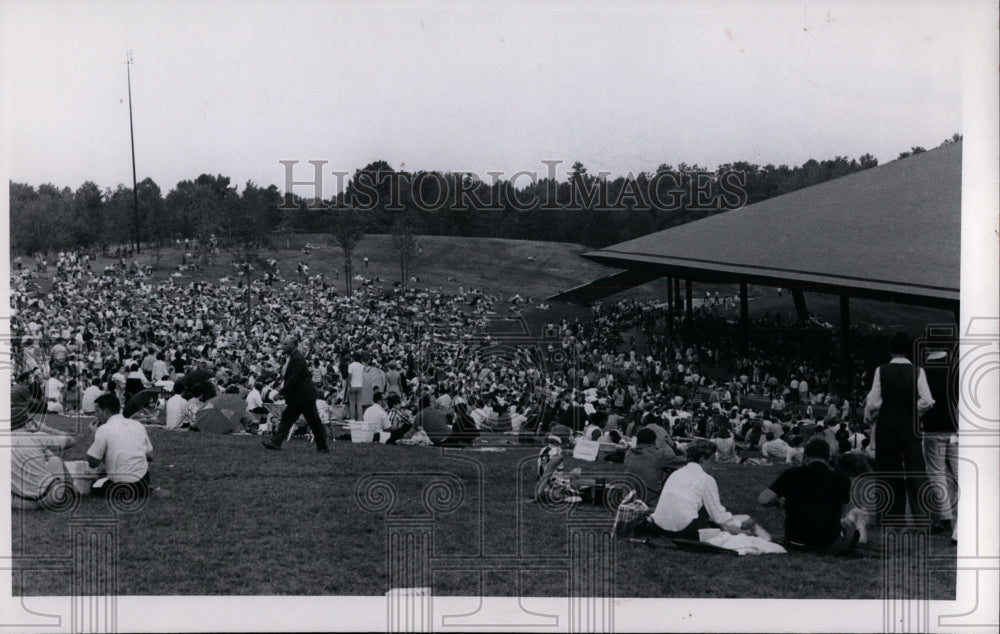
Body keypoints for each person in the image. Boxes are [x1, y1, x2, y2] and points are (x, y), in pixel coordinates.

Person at [864, 331, 934, 520]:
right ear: (910, 351)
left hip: (887, 423)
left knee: (887, 468)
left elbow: (873, 402)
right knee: (916, 468)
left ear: (890, 350)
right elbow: (927, 400)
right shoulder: (919, 371)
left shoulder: (881, 370)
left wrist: (877, 411)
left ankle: (890, 514)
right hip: (910, 424)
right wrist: (914, 411)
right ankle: (922, 516)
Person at [759, 437, 864, 553]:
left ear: (806, 456)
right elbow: (840, 513)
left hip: (794, 540)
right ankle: (861, 527)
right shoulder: (842, 480)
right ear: (828, 457)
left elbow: (764, 499)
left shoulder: (791, 474)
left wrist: (779, 502)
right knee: (850, 523)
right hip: (827, 542)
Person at [649, 439, 754, 539]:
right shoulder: (705, 479)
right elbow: (718, 515)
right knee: (706, 511)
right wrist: (739, 524)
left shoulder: (675, 473)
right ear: (702, 459)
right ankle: (737, 532)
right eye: (711, 459)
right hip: (683, 530)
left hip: (660, 527)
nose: (713, 463)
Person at [262, 336, 331, 453]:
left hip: (303, 397)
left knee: (312, 422)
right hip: (300, 397)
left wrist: (281, 392)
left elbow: (294, 378)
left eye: (285, 345)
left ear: (293, 345)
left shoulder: (297, 358)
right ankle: (276, 442)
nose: (283, 347)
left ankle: (322, 447)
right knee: (289, 419)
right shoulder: (294, 357)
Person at [921, 340, 959, 538]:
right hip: (955, 430)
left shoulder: (922, 371)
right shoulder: (956, 368)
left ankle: (945, 516)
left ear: (927, 347)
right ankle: (960, 522)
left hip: (932, 430)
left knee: (936, 474)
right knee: (961, 475)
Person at [87, 393, 154, 499]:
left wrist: (93, 435)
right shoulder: (137, 425)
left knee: (94, 486)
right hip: (143, 483)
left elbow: (93, 463)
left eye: (97, 411)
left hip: (122, 486)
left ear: (106, 412)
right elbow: (150, 456)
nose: (96, 415)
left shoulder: (103, 429)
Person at [10, 405, 77, 511]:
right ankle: (71, 491)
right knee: (55, 460)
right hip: (49, 498)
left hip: (22, 502)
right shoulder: (37, 436)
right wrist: (45, 429)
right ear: (27, 422)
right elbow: (71, 440)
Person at [624, 428, 687, 505]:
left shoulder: (629, 453)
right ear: (654, 441)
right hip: (649, 497)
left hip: (629, 494)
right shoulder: (658, 455)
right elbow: (685, 461)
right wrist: (681, 449)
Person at [346, 352, 364, 421]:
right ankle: (360, 419)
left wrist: (349, 385)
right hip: (360, 385)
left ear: (353, 358)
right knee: (359, 403)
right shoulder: (361, 366)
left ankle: (352, 419)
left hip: (353, 385)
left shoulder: (351, 366)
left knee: (352, 403)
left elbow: (350, 376)